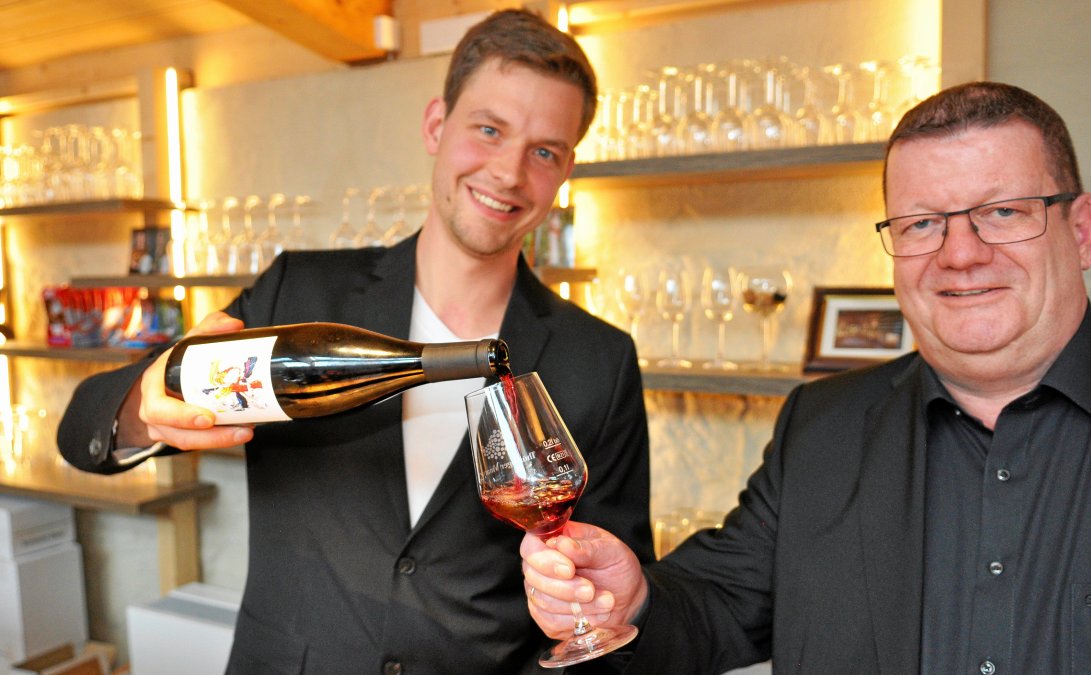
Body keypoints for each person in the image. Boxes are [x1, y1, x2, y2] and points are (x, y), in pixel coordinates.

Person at [520, 81, 1091, 674]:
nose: (960, 254)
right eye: (922, 223)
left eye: (1003, 212)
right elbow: (719, 606)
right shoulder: (822, 426)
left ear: (1080, 231)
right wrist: (633, 598)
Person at [57, 9, 654, 674]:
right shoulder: (298, 295)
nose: (510, 172)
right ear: (436, 125)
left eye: (544, 151)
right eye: (489, 129)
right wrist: (146, 404)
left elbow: (617, 590)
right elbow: (82, 430)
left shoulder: (600, 359)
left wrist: (589, 611)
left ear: (567, 169)